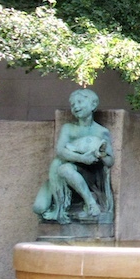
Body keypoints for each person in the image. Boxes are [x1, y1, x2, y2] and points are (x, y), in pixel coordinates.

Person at [33, 89, 114, 224]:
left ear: (93, 105)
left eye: (80, 102)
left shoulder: (101, 132)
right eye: (72, 104)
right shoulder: (68, 128)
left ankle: (91, 203)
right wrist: (82, 158)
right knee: (38, 207)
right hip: (59, 178)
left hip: (87, 175)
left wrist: (101, 154)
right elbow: (60, 151)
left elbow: (110, 161)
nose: (75, 106)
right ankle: (60, 203)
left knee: (65, 169)